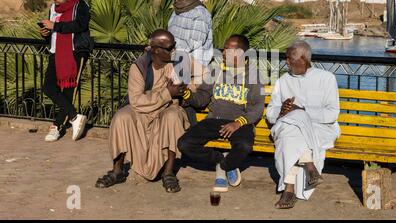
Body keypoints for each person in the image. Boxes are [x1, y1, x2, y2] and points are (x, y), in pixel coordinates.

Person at [95, 30, 190, 193]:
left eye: (174, 46)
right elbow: (137, 101)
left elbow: (187, 88)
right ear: (156, 50)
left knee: (173, 116)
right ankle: (117, 170)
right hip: (143, 110)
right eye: (170, 48)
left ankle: (169, 173)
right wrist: (167, 93)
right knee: (121, 117)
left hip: (167, 109)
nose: (174, 50)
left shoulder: (177, 64)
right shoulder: (139, 68)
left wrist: (184, 91)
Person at [178, 35, 265, 193]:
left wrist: (239, 122)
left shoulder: (254, 75)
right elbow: (202, 99)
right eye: (224, 49)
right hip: (213, 121)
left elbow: (258, 106)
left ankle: (225, 167)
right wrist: (187, 95)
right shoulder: (215, 72)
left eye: (228, 49)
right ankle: (223, 161)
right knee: (184, 144)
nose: (223, 52)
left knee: (244, 146)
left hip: (239, 123)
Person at [266, 41, 340, 209]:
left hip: (320, 128)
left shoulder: (326, 78)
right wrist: (281, 111)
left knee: (292, 129)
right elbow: (271, 113)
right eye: (286, 57)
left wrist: (303, 110)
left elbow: (332, 114)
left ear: (304, 59)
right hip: (288, 126)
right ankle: (310, 165)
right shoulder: (283, 81)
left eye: (290, 57)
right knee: (291, 128)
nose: (286, 61)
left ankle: (288, 189)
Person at [40, 0, 94, 142]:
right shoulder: (53, 8)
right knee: (48, 87)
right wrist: (46, 33)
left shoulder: (80, 5)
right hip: (55, 52)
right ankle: (74, 117)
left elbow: (80, 25)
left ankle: (56, 126)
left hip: (74, 53)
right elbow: (53, 31)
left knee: (68, 91)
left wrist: (55, 26)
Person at [168, 0, 213, 67]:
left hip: (193, 67)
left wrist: (168, 51)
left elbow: (195, 42)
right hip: (176, 62)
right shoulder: (176, 10)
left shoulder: (200, 13)